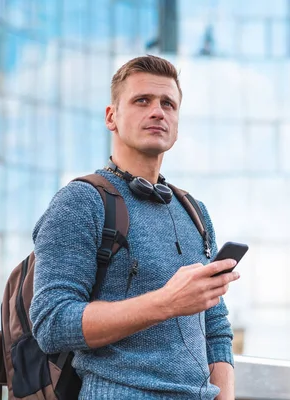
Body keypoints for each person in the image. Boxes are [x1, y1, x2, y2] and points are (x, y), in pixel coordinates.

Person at [29, 55, 239, 399]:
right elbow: (52, 323)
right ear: (112, 117)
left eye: (168, 104)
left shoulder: (195, 211)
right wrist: (166, 302)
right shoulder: (81, 201)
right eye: (142, 100)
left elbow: (215, 327)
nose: (158, 112)